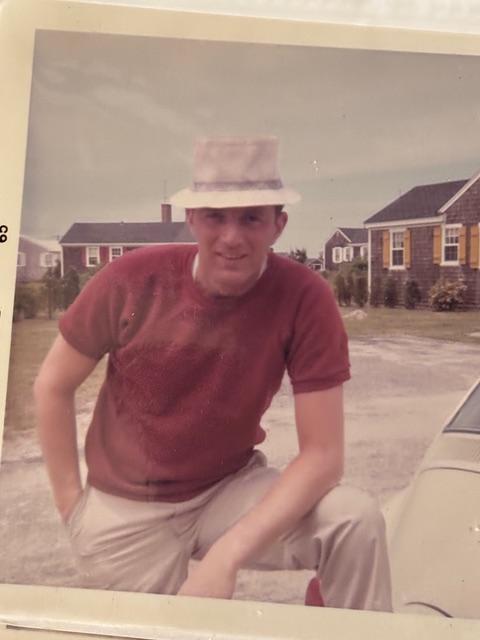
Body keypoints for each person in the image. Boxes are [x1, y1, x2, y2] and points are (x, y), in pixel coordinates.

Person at [34, 135, 392, 610]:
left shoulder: (305, 297)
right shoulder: (131, 280)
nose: (231, 237)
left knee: (355, 522)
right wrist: (72, 507)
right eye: (215, 217)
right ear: (192, 219)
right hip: (127, 506)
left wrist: (227, 556)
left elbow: (324, 455)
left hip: (228, 489)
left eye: (251, 218)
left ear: (278, 225)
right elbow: (52, 385)